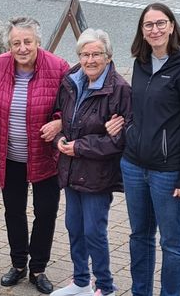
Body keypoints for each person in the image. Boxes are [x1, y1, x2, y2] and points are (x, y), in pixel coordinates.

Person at [107, 3, 180, 296]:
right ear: (142, 31)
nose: (155, 30)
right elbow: (139, 108)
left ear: (172, 26)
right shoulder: (141, 63)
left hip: (168, 172)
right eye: (148, 25)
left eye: (160, 23)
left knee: (171, 242)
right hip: (134, 165)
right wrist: (125, 124)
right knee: (140, 237)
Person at [0, 16, 69, 294]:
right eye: (16, 43)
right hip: (10, 156)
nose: (22, 48)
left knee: (46, 212)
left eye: (27, 42)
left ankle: (38, 268)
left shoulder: (58, 68)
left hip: (45, 156)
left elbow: (72, 106)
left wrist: (59, 122)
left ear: (38, 43)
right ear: (9, 45)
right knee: (14, 211)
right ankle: (19, 264)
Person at [51, 29, 131, 296]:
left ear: (108, 57)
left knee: (94, 231)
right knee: (74, 226)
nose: (90, 60)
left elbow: (120, 141)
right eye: (85, 54)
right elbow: (62, 116)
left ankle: (105, 286)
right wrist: (61, 139)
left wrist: (80, 147)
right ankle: (81, 281)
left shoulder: (119, 90)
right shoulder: (72, 81)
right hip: (72, 168)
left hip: (98, 173)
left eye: (97, 54)